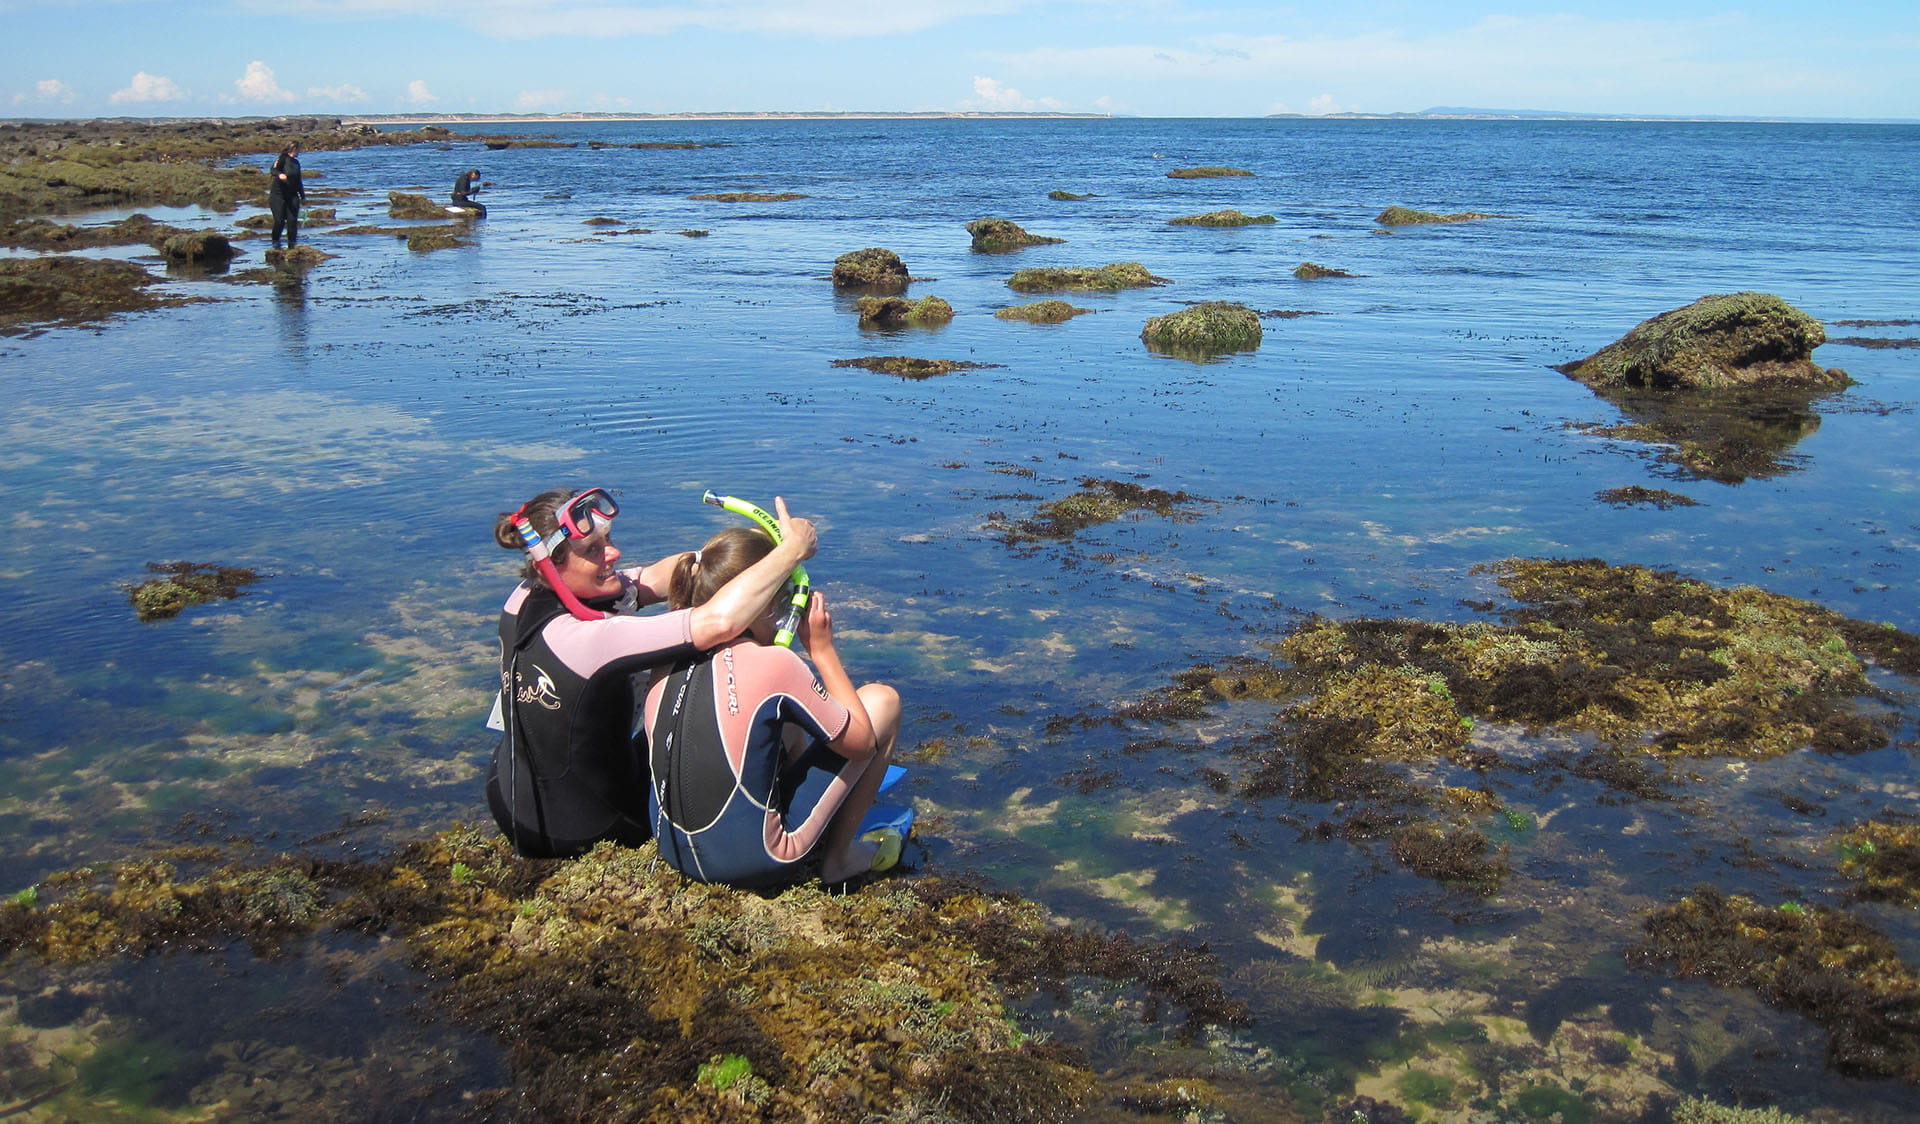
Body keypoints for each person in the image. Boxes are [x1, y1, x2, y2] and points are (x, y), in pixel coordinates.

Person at [488, 487, 816, 859]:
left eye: (608, 540)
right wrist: (792, 551)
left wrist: (734, 553)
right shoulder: (588, 639)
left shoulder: (523, 597)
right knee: (761, 709)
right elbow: (718, 622)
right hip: (589, 826)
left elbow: (663, 575)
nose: (614, 554)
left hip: (509, 798)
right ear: (547, 563)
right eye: (593, 550)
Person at [644, 526, 903, 888]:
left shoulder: (669, 645)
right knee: (882, 702)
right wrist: (822, 650)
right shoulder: (775, 665)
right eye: (785, 596)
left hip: (672, 849)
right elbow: (861, 743)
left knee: (785, 714)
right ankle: (838, 861)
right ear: (764, 603)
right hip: (754, 861)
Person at [269, 143, 306, 246]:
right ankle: (275, 243)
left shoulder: (296, 163)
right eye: (299, 149)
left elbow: (298, 181)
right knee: (279, 221)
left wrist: (302, 197)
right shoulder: (282, 159)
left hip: (293, 195)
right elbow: (273, 170)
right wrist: (280, 174)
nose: (300, 151)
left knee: (292, 222)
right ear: (293, 149)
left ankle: (292, 245)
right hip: (278, 195)